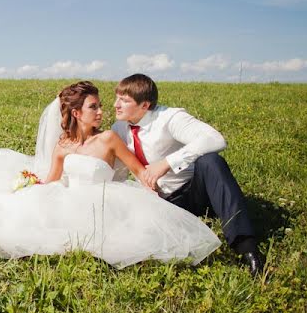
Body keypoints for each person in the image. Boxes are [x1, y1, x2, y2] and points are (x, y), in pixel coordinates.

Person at [0, 81, 220, 268]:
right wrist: (31, 185)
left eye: (101, 105)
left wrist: (157, 200)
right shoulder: (62, 145)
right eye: (95, 107)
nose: (102, 111)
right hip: (68, 198)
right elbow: (53, 180)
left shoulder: (109, 139)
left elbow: (140, 172)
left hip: (105, 202)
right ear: (77, 113)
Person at [110, 73, 266, 276]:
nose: (116, 105)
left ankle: (247, 248)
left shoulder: (169, 118)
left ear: (144, 105)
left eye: (124, 100)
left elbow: (215, 139)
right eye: (117, 98)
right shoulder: (119, 128)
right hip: (158, 201)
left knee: (210, 161)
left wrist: (167, 163)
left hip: (193, 192)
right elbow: (119, 167)